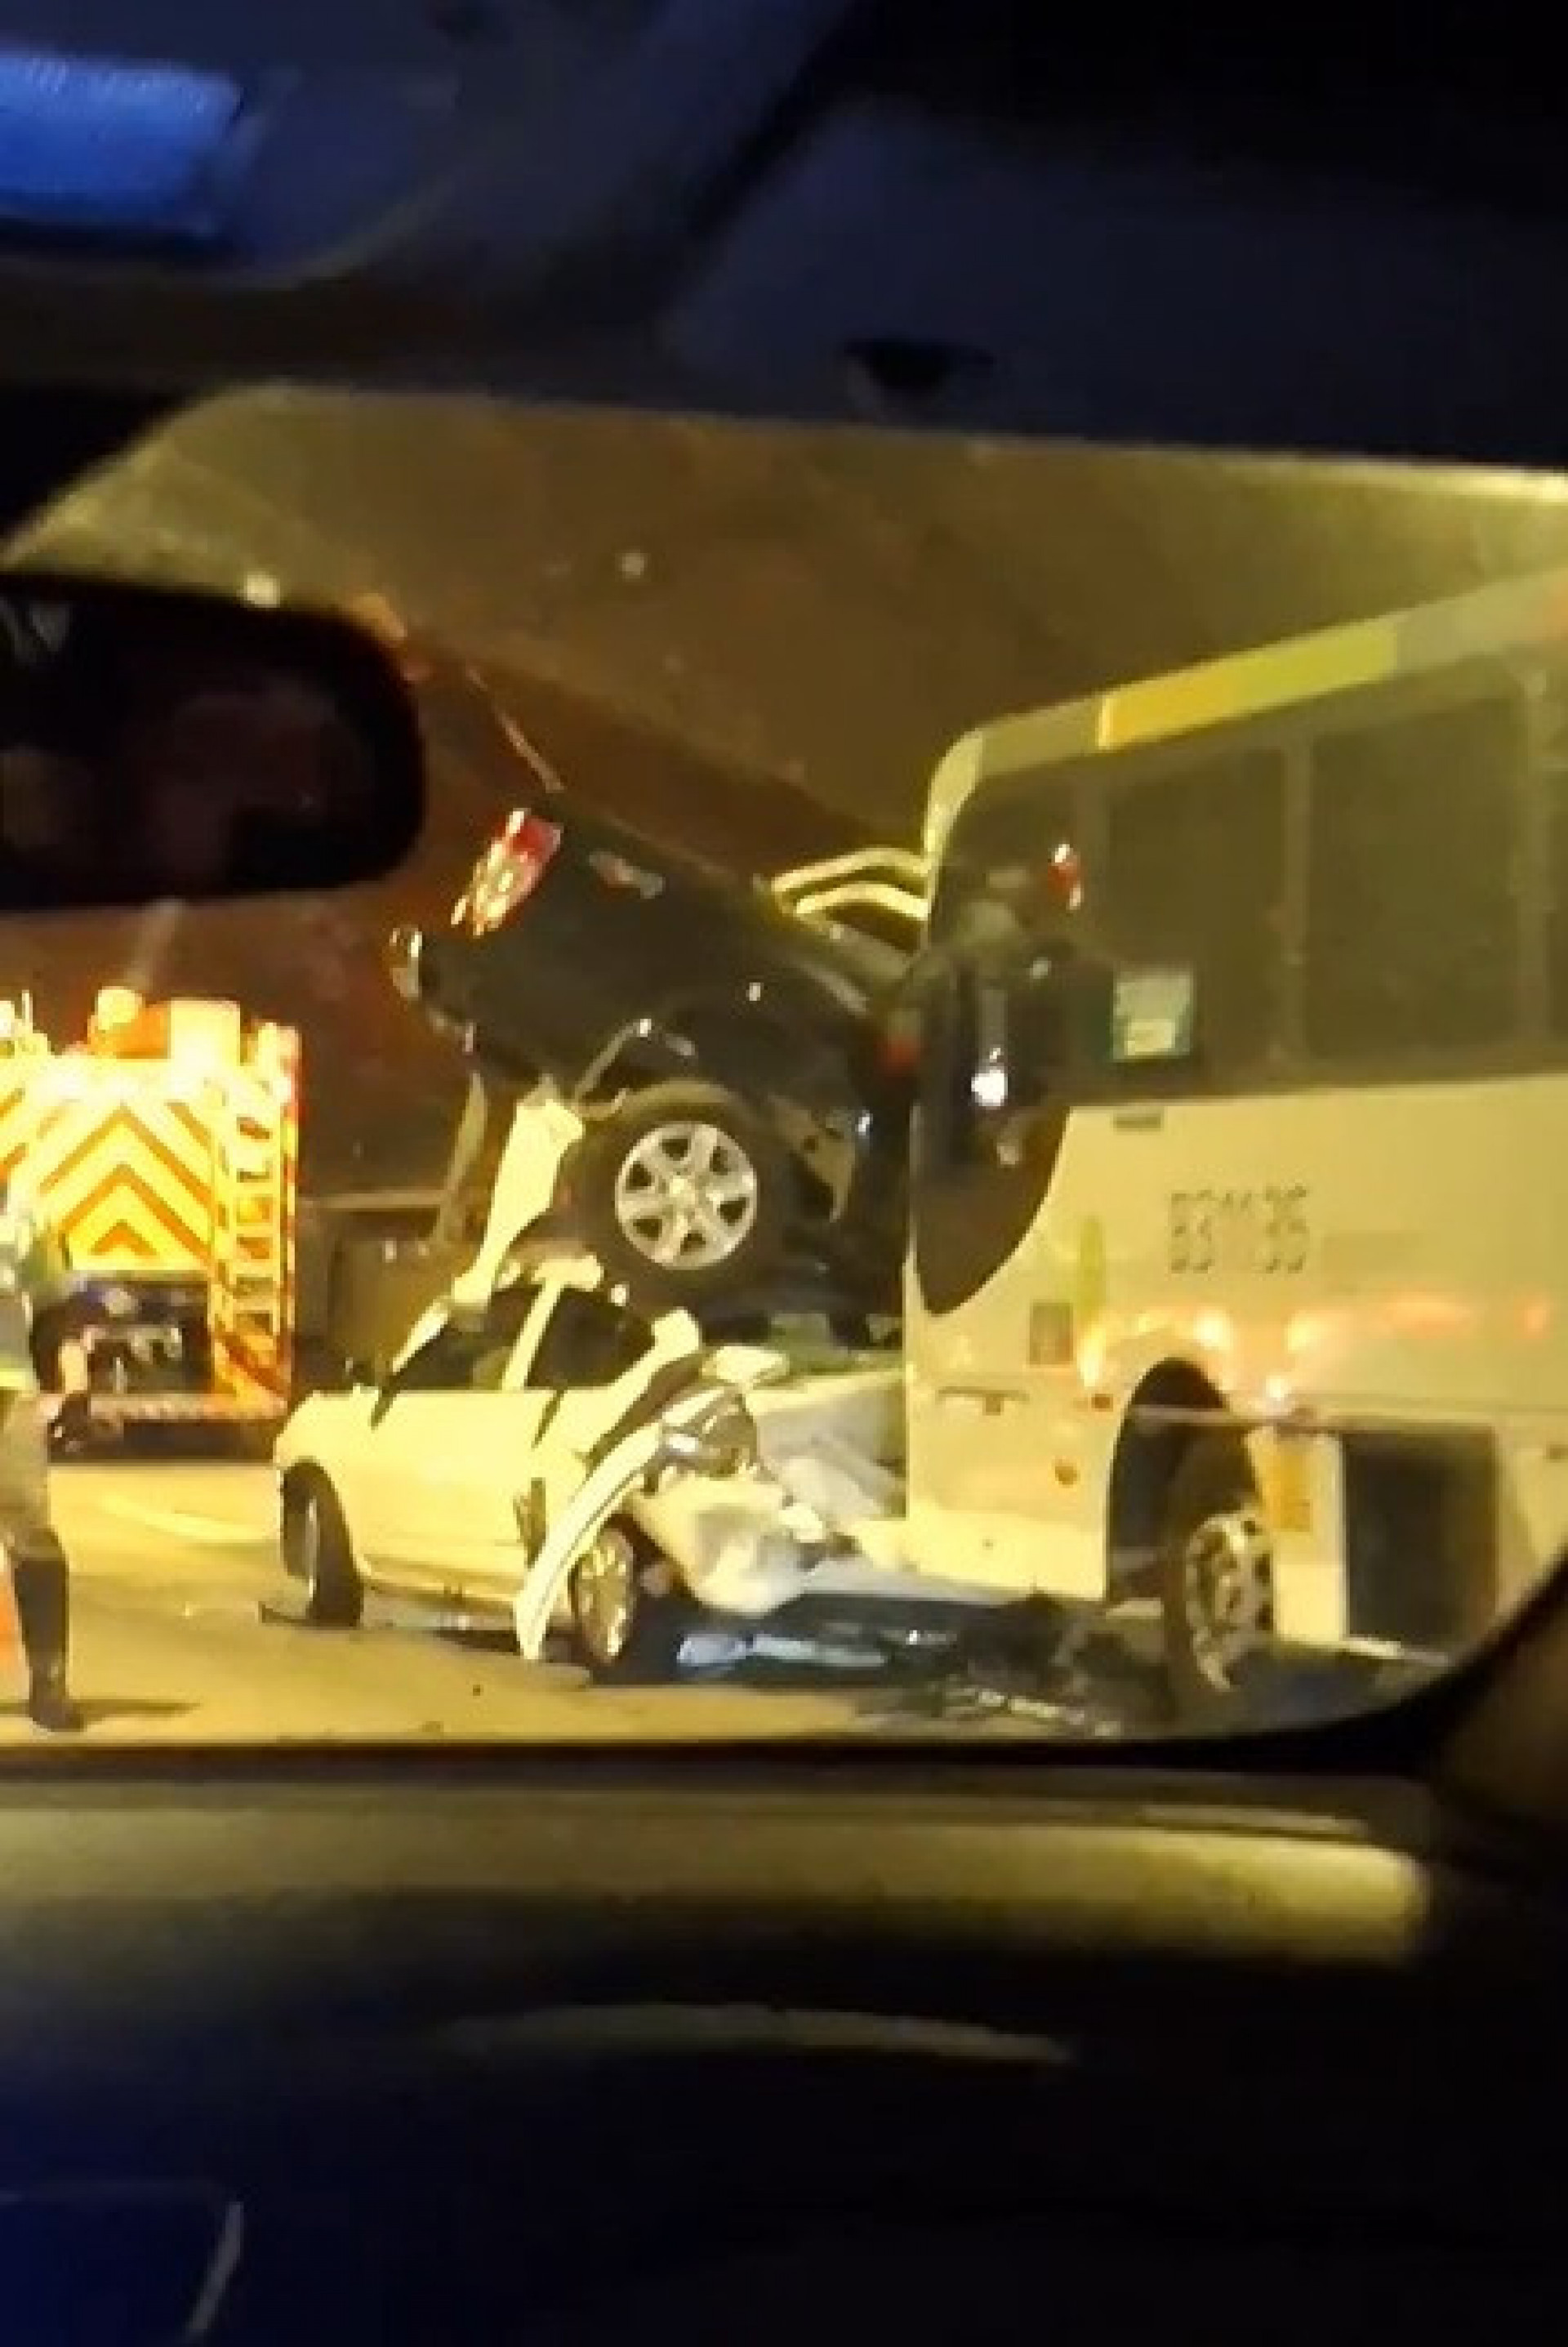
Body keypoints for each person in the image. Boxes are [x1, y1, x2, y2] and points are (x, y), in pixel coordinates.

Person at [0, 1171, 89, 1732]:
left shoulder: (22, 1211)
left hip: (9, 1396)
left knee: (32, 1536)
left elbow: (60, 1311)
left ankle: (49, 1680)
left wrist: (76, 1386)